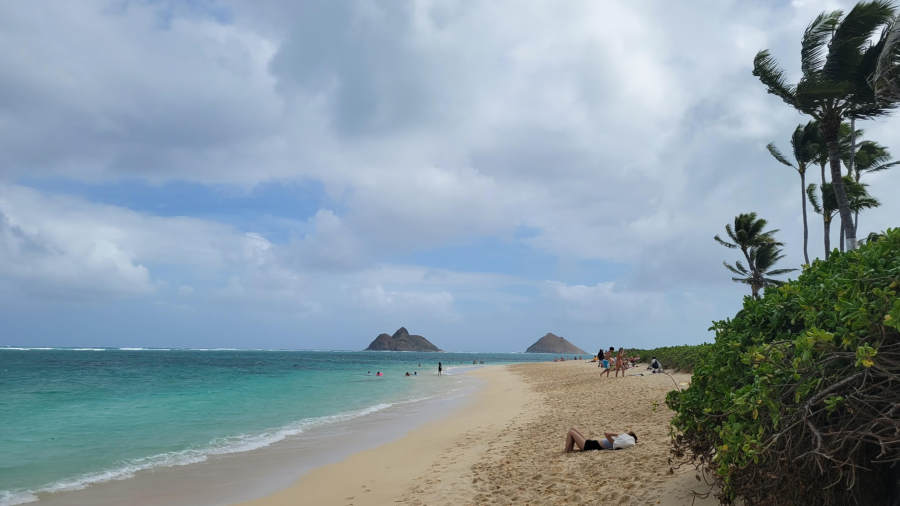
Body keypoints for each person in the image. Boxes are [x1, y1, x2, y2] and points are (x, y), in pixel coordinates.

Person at [564, 428, 637, 452]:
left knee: (571, 432)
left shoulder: (615, 442)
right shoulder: (617, 441)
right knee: (573, 429)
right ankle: (569, 450)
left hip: (588, 446)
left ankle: (567, 450)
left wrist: (617, 434)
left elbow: (607, 434)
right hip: (591, 443)